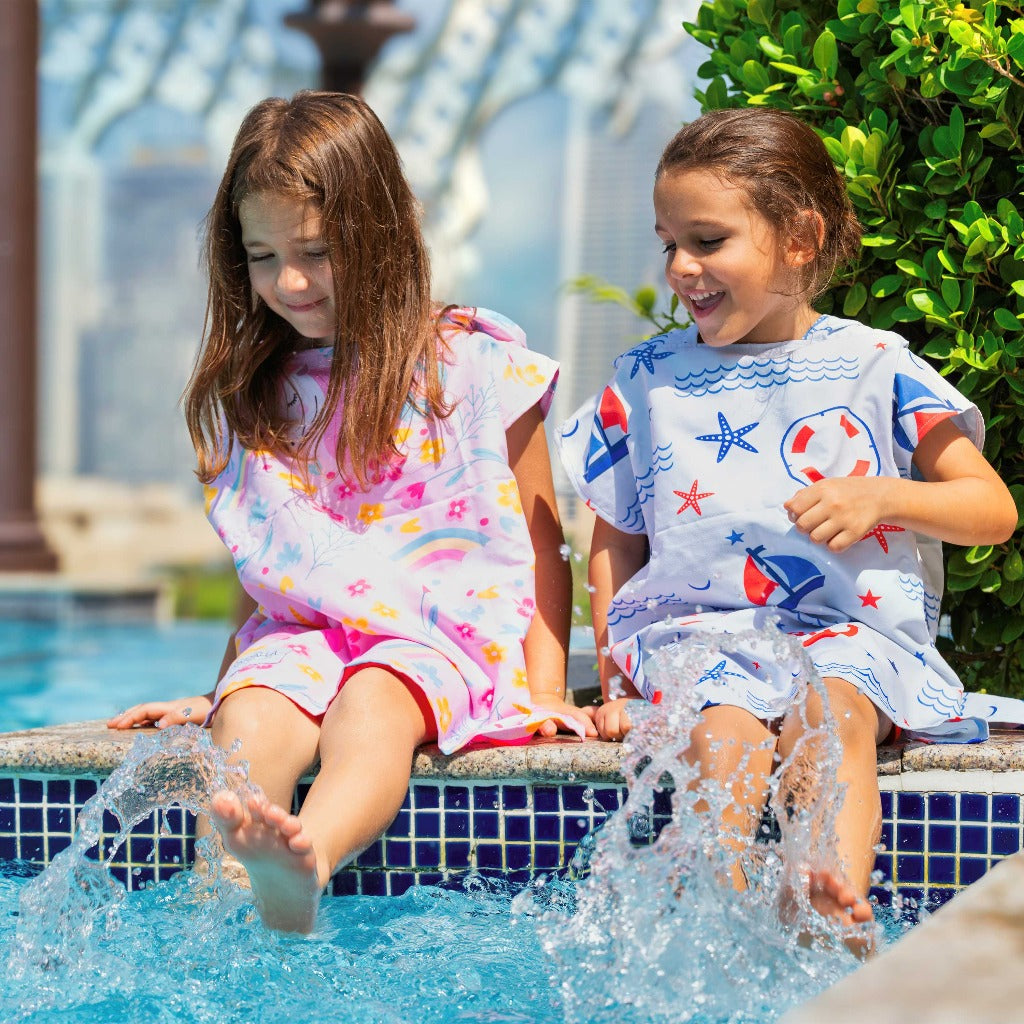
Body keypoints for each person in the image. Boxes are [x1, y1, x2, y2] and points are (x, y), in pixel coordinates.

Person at [108, 91, 596, 934]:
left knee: (373, 706)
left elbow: (541, 538)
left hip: (434, 643)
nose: (288, 282)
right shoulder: (260, 391)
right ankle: (223, 888)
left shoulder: (472, 368)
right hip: (304, 639)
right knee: (251, 716)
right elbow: (266, 561)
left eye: (316, 251)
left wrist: (544, 693)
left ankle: (309, 859)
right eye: (262, 257)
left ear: (378, 234)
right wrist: (219, 684)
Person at [557, 107, 1018, 951]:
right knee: (719, 737)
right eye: (669, 243)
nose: (681, 269)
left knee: (832, 714)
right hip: (701, 639)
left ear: (799, 237)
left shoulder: (874, 366)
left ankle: (827, 889)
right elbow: (615, 536)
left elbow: (992, 511)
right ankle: (717, 910)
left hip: (851, 636)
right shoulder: (649, 382)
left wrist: (886, 496)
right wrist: (620, 683)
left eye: (707, 240)